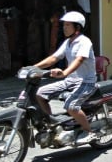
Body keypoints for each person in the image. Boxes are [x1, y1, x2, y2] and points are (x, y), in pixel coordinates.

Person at [34, 11, 99, 144]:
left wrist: (64, 72)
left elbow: (79, 60)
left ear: (77, 27)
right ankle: (52, 125)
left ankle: (89, 132)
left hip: (86, 82)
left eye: (68, 25)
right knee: (40, 94)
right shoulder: (68, 42)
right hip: (71, 81)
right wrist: (33, 68)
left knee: (71, 106)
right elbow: (54, 58)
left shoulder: (84, 41)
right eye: (64, 25)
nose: (64, 28)